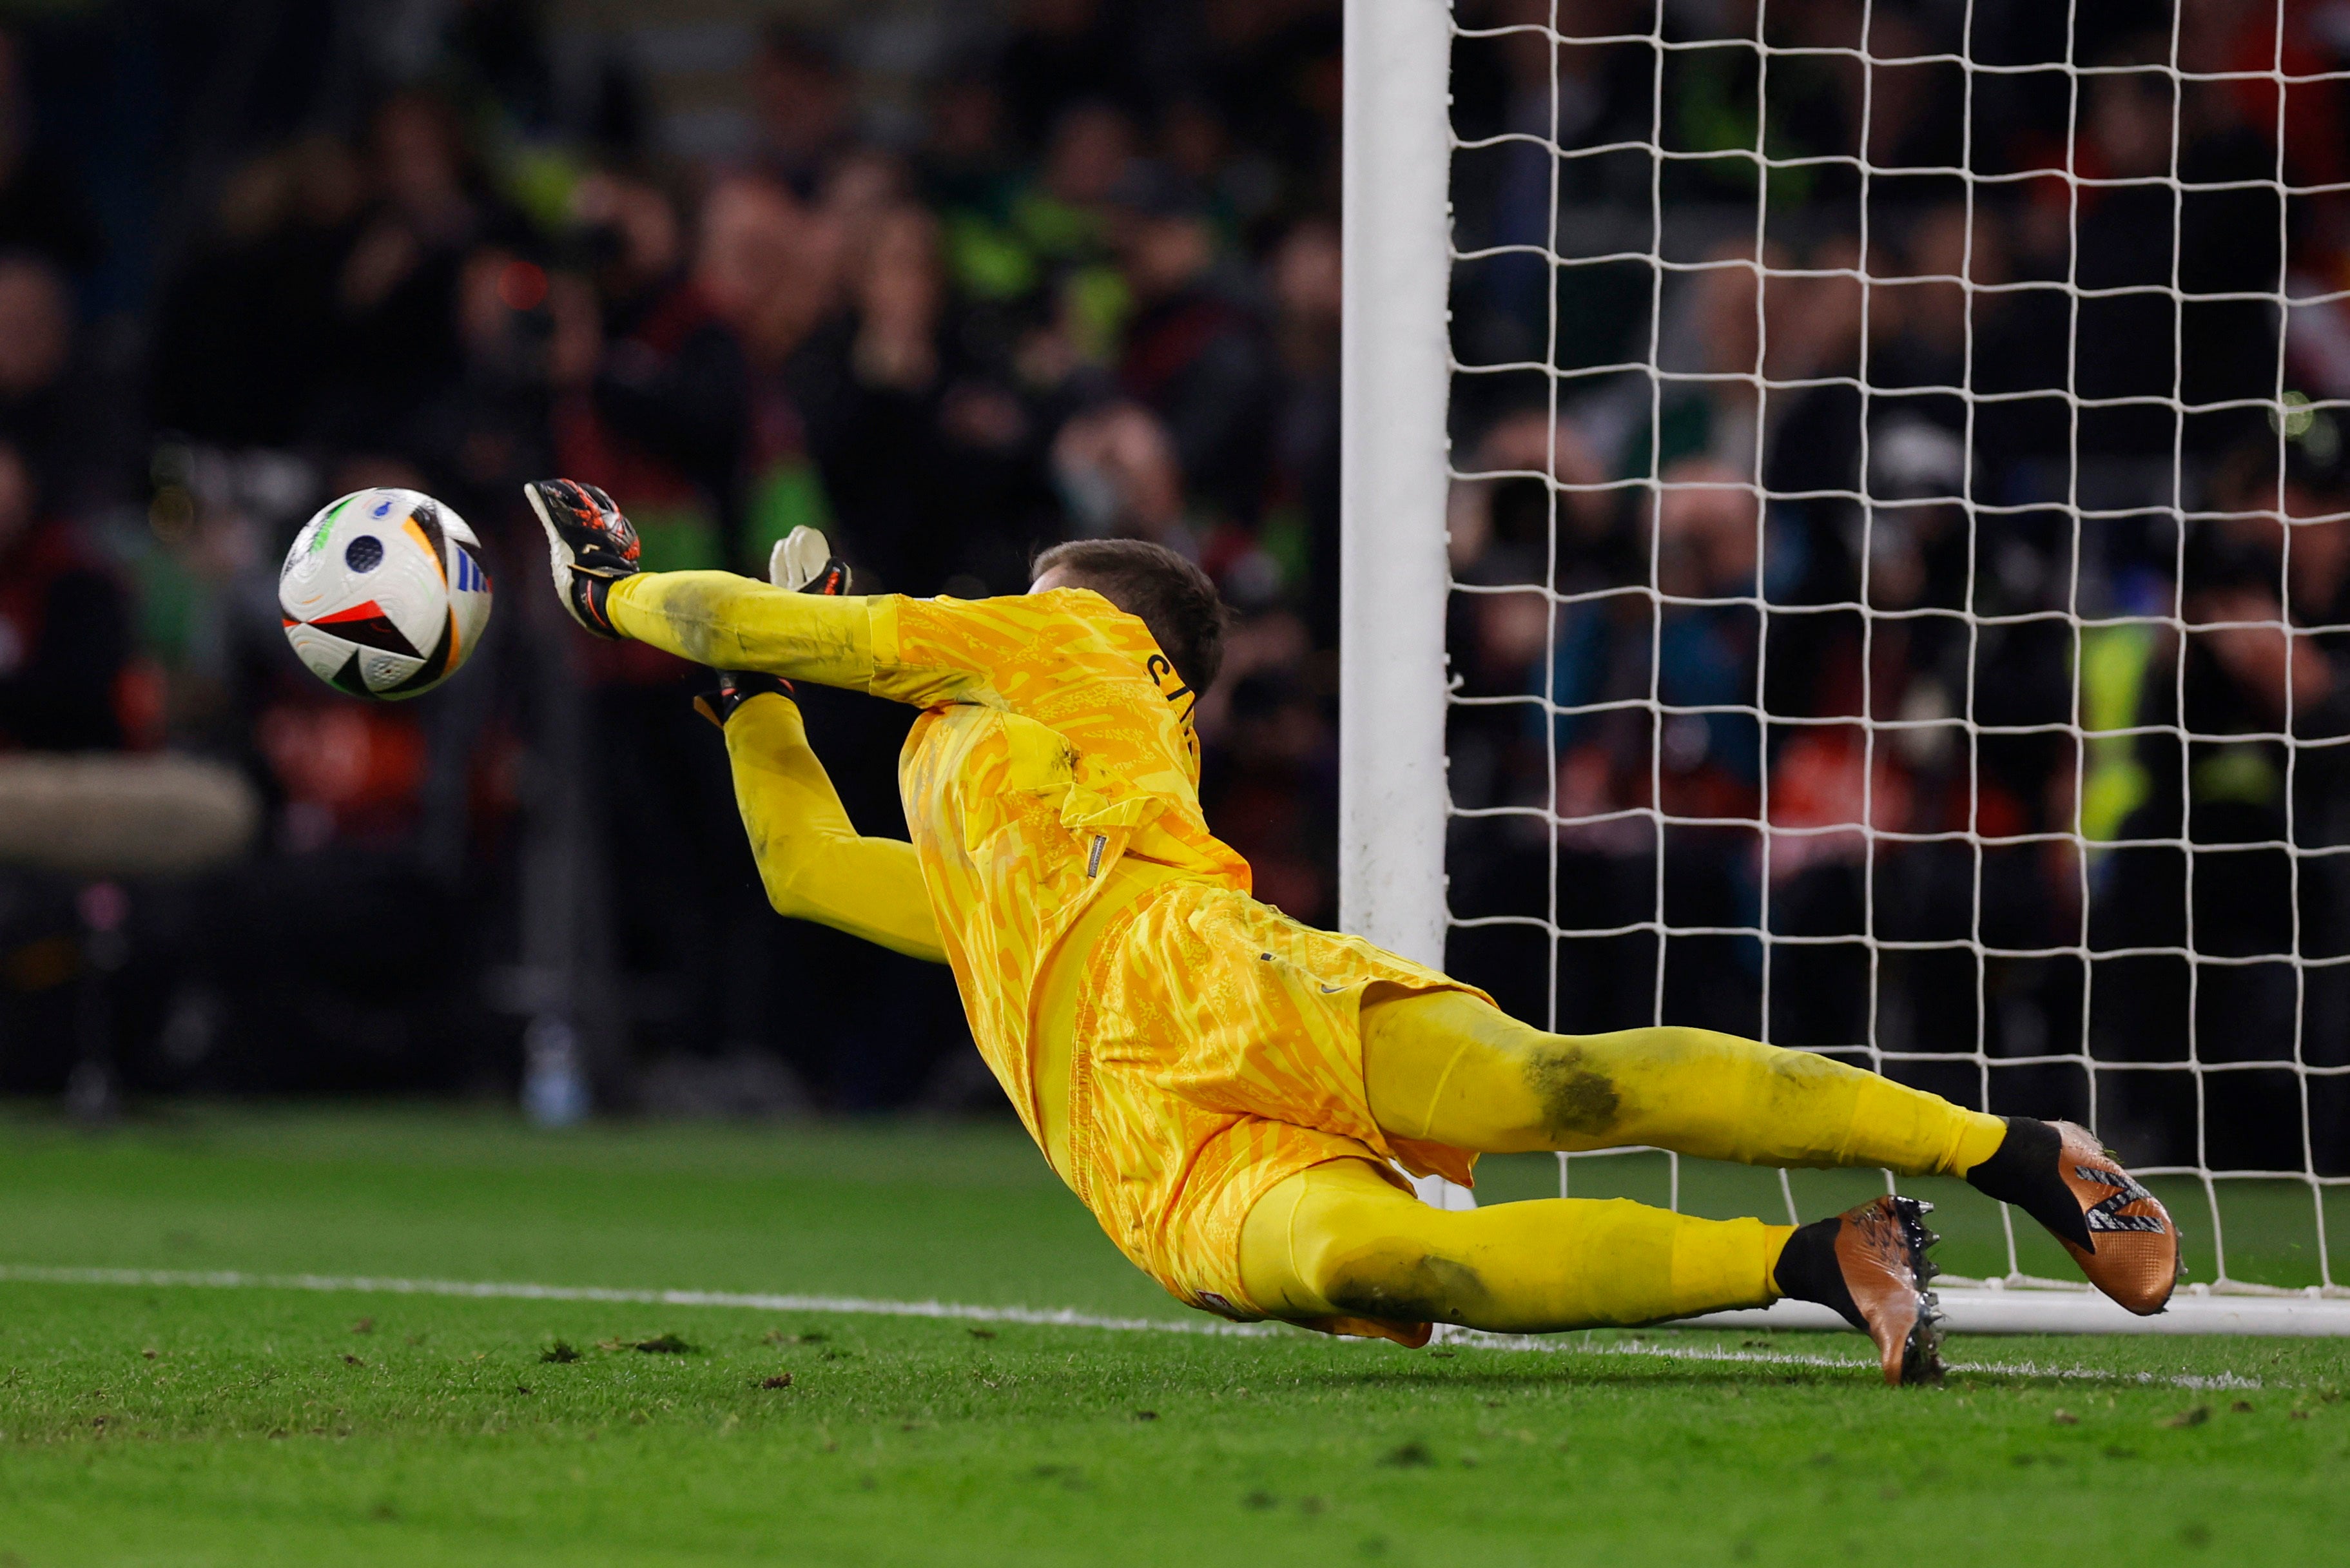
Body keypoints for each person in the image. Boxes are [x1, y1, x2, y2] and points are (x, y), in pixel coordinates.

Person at [524, 476, 2180, 1386]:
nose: (1009, 614)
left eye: (1033, 593)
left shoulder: (1074, 649)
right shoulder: (988, 824)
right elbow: (808, 866)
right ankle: (1816, 1263)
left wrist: (623, 593)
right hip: (1140, 1153)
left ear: (1103, 619)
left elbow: (762, 614)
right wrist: (745, 684)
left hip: (1214, 981)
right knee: (1395, 1260)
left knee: (1544, 1089)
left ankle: (2009, 1148)